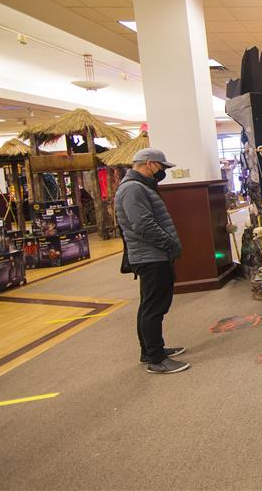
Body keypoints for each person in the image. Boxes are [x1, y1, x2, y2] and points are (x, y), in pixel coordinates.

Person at [115, 148, 188, 374]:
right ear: (149, 164)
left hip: (153, 255)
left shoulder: (137, 187)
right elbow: (143, 225)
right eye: (161, 167)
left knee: (150, 305)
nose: (162, 172)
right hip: (151, 256)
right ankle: (155, 359)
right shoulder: (133, 189)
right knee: (154, 307)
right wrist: (170, 244)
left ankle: (151, 350)